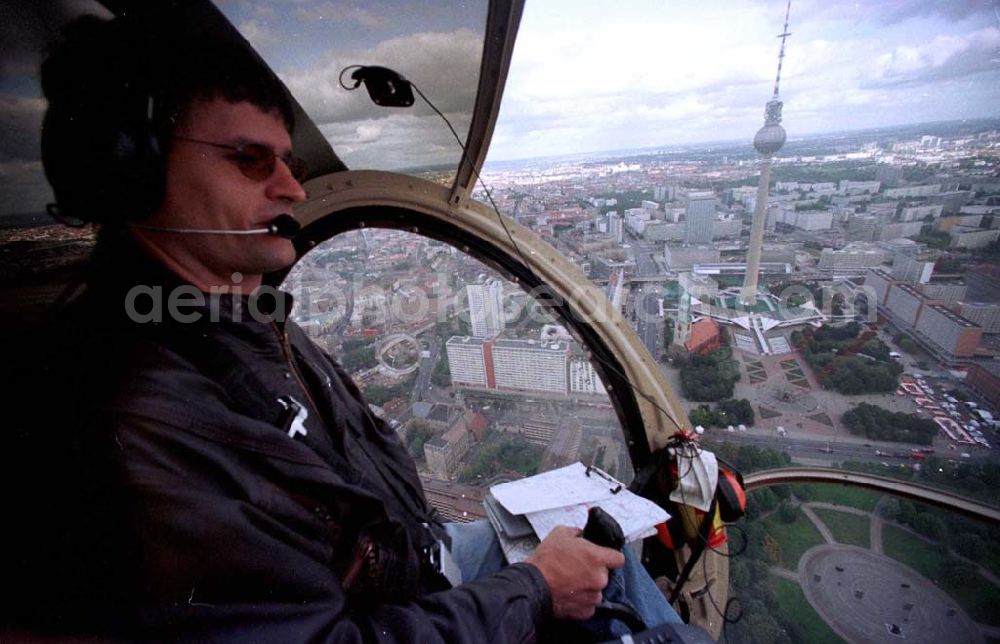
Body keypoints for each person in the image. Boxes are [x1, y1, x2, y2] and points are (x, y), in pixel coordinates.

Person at [3, 13, 680, 643]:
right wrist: (532, 591)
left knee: (603, 546)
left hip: (418, 561)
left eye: (290, 165)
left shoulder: (236, 319)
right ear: (137, 175)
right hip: (394, 609)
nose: (294, 191)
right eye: (250, 159)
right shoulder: (135, 417)